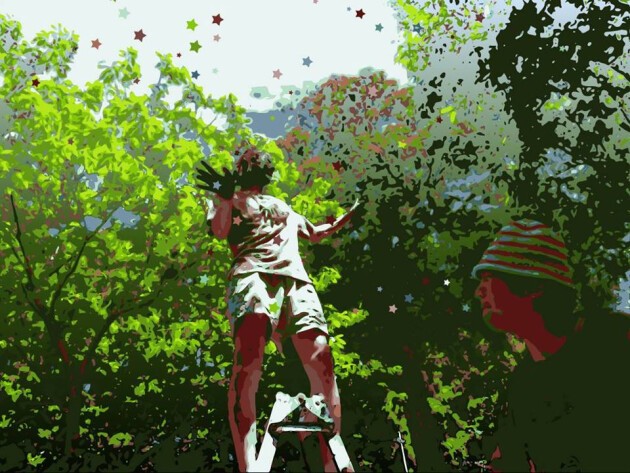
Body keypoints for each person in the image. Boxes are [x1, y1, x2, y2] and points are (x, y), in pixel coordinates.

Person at [196, 147, 359, 472]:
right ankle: (248, 463)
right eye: (249, 161)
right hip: (252, 275)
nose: (256, 164)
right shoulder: (229, 198)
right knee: (249, 361)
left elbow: (316, 232)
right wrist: (224, 198)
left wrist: (344, 219)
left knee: (321, 357)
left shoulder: (283, 206)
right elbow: (219, 231)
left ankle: (331, 461)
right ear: (240, 170)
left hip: (296, 282)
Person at [472, 219, 629, 472]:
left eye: (489, 278)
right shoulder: (522, 387)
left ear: (533, 285)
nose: (478, 292)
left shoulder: (616, 339)